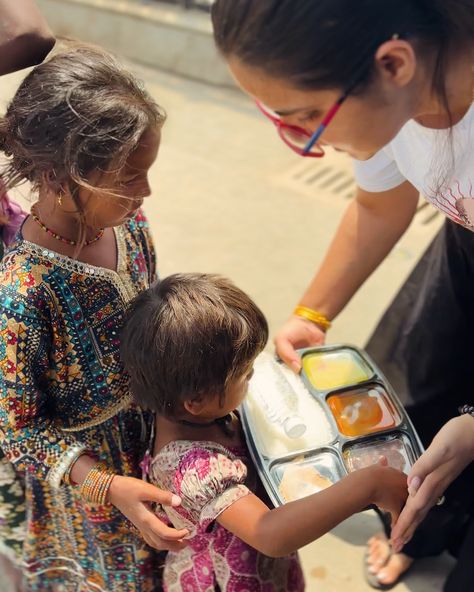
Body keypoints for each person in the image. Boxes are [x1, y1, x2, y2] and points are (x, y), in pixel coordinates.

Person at [211, 0, 474, 589]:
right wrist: (313, 311)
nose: (303, 141)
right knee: (414, 409)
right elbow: (381, 203)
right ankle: (419, 528)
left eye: (304, 117)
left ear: (393, 64)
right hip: (463, 252)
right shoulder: (400, 93)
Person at [0, 45, 187, 591]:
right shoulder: (23, 295)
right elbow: (17, 429)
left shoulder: (131, 227)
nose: (145, 192)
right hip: (90, 483)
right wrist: (108, 485)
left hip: (155, 437)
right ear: (60, 177)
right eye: (129, 178)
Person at [119, 272, 408, 592]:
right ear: (197, 401)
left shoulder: (180, 404)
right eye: (245, 374)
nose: (254, 376)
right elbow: (270, 534)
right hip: (231, 579)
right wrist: (368, 486)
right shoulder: (196, 469)